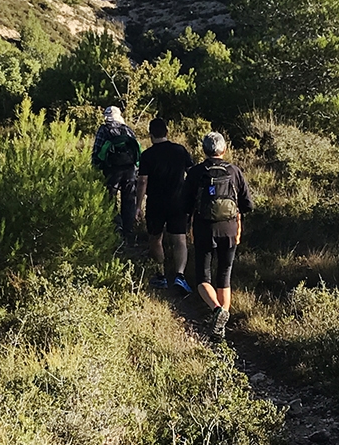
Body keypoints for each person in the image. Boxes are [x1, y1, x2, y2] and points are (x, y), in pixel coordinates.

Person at [181, 131, 253, 340]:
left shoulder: (195, 172)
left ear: (203, 150)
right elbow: (247, 204)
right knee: (225, 275)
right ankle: (221, 326)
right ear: (224, 149)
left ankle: (216, 311)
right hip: (230, 229)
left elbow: (184, 204)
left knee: (203, 277)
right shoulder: (234, 171)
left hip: (204, 228)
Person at [135, 117, 194, 293]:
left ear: (150, 134)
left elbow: (142, 181)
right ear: (167, 132)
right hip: (178, 201)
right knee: (180, 239)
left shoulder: (147, 155)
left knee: (155, 238)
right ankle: (180, 275)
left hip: (156, 202)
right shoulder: (180, 150)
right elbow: (191, 173)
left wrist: (138, 205)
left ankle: (161, 275)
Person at [91, 105, 141, 245]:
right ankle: (129, 234)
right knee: (129, 200)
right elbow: (137, 151)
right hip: (130, 171)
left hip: (112, 171)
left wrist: (95, 168)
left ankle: (115, 230)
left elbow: (97, 151)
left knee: (109, 200)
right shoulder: (127, 130)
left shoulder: (104, 129)